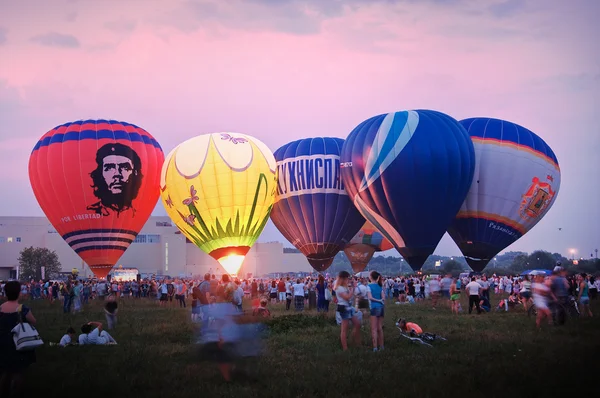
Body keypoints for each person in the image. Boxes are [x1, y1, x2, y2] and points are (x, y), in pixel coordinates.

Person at [0, 281, 37, 397]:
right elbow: (33, 321)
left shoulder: (0, 308)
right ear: (19, 293)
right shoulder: (22, 308)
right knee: (18, 373)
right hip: (18, 343)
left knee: (5, 372)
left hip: (3, 343)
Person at [87, 143, 142, 217]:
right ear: (100, 173)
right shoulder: (90, 212)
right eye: (109, 168)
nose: (117, 174)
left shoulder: (139, 215)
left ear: (135, 173)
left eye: (125, 167)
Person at [334, 271, 361, 351]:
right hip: (344, 308)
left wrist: (352, 288)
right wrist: (352, 289)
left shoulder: (344, 287)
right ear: (343, 278)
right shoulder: (339, 288)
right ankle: (345, 348)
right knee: (344, 329)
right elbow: (347, 297)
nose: (348, 280)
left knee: (357, 324)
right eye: (347, 278)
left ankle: (353, 340)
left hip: (349, 308)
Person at [367, 271, 385, 352]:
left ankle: (375, 348)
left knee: (374, 329)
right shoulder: (380, 286)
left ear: (371, 277)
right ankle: (382, 346)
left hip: (374, 307)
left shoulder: (368, 286)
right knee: (379, 328)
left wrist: (377, 300)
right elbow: (383, 298)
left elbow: (370, 297)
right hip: (381, 307)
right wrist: (380, 301)